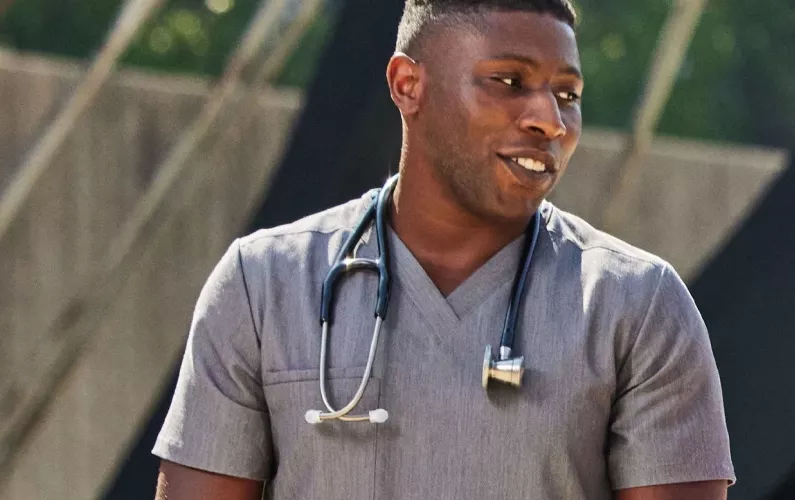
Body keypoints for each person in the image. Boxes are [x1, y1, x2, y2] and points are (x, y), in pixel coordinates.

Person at [152, 1, 736, 498]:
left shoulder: (637, 307)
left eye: (568, 93)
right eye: (510, 82)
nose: (549, 120)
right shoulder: (263, 285)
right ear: (409, 85)